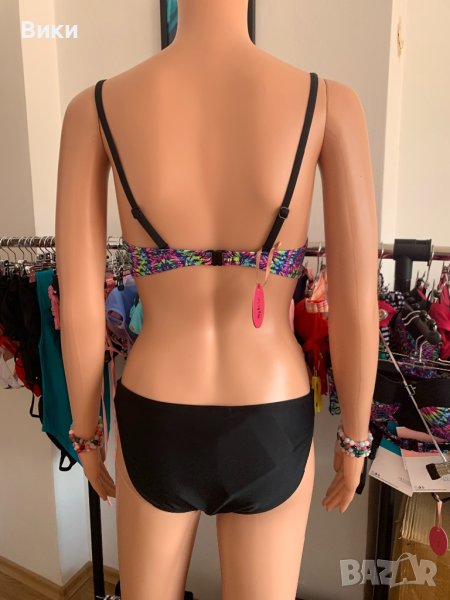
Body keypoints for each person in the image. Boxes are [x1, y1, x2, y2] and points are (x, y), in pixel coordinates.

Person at [55, 1, 379, 598]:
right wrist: (355, 438)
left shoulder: (94, 108)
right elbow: (358, 301)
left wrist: (86, 434)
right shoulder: (329, 103)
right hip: (269, 414)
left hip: (156, 410)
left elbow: (77, 301)